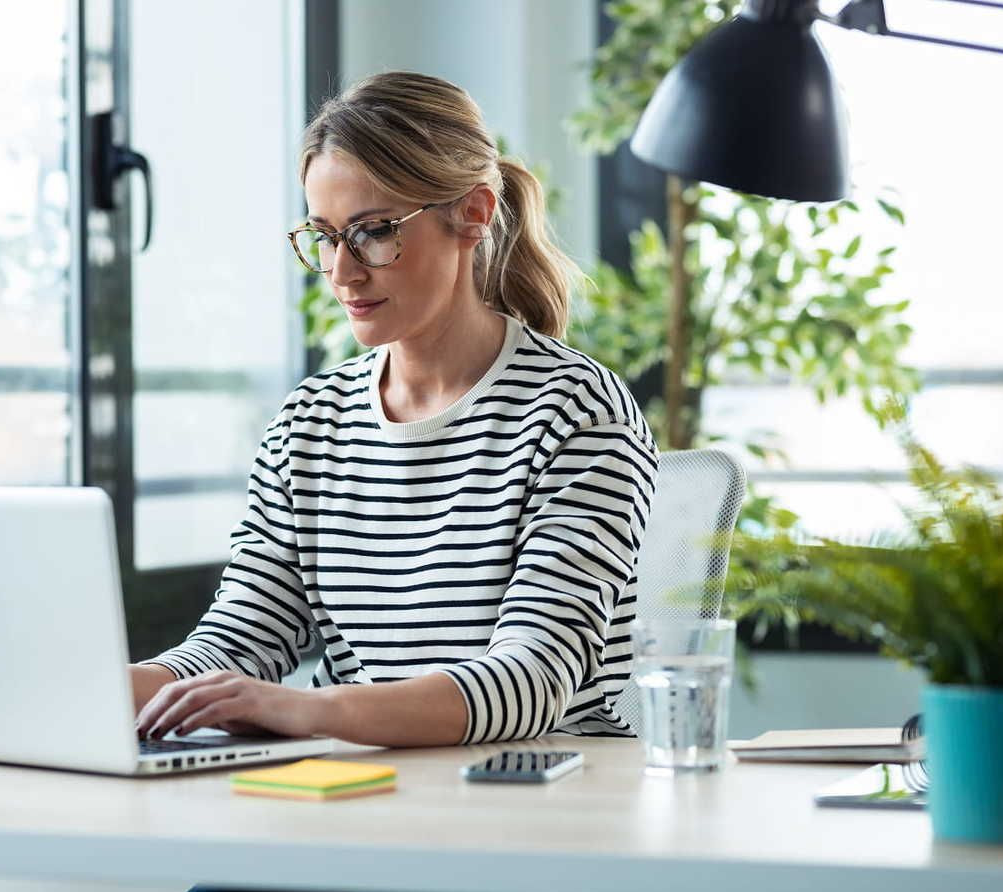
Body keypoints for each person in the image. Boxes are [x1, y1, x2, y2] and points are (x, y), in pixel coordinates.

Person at [129, 71, 658, 758]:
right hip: (361, 798)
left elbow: (533, 678)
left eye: (374, 232)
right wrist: (97, 690)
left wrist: (311, 710)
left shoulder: (576, 414)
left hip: (535, 810)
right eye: (323, 236)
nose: (343, 272)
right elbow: (239, 642)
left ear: (472, 213)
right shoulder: (308, 425)